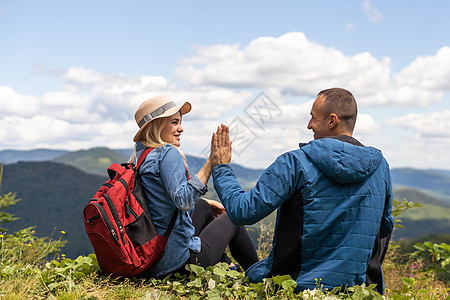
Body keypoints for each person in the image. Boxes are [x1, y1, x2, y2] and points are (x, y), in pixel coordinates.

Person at [210, 88, 394, 293]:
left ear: (332, 120)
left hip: (298, 287)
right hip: (359, 290)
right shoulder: (380, 166)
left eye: (313, 118)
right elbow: (384, 228)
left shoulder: (294, 163)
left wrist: (222, 168)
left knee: (254, 273)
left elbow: (243, 211)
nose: (308, 125)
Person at [132, 94, 258, 277]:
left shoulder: (142, 156)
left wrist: (205, 201)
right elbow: (183, 201)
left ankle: (227, 266)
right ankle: (263, 277)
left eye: (180, 122)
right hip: (178, 262)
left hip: (154, 258)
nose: (181, 129)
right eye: (174, 122)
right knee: (233, 218)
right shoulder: (168, 153)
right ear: (156, 125)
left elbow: (159, 198)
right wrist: (212, 161)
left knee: (203, 206)